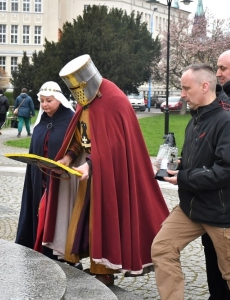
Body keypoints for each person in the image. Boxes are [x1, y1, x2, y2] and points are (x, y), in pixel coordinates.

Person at [40, 54, 169, 286]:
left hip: (110, 175)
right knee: (81, 217)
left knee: (105, 219)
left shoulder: (114, 99)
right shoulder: (86, 102)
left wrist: (91, 164)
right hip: (87, 174)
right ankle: (78, 258)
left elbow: (116, 145)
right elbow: (81, 137)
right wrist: (69, 156)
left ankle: (103, 270)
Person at [151, 63, 230, 300]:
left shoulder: (228, 121)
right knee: (162, 249)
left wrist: (184, 177)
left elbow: (227, 170)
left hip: (222, 214)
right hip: (192, 208)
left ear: (205, 86)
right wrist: (177, 166)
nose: (182, 94)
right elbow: (199, 161)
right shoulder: (195, 119)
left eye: (186, 88)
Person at [15, 81, 75, 255]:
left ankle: (59, 251)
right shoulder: (41, 121)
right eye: (41, 101)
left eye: (49, 100)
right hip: (39, 177)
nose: (44, 105)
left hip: (60, 179)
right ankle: (37, 244)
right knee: (38, 210)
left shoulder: (70, 120)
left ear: (59, 99)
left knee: (57, 214)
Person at [201, 50, 230, 300]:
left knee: (225, 258)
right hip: (214, 190)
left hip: (226, 193)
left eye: (223, 68)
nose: (218, 73)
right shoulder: (222, 97)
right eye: (217, 68)